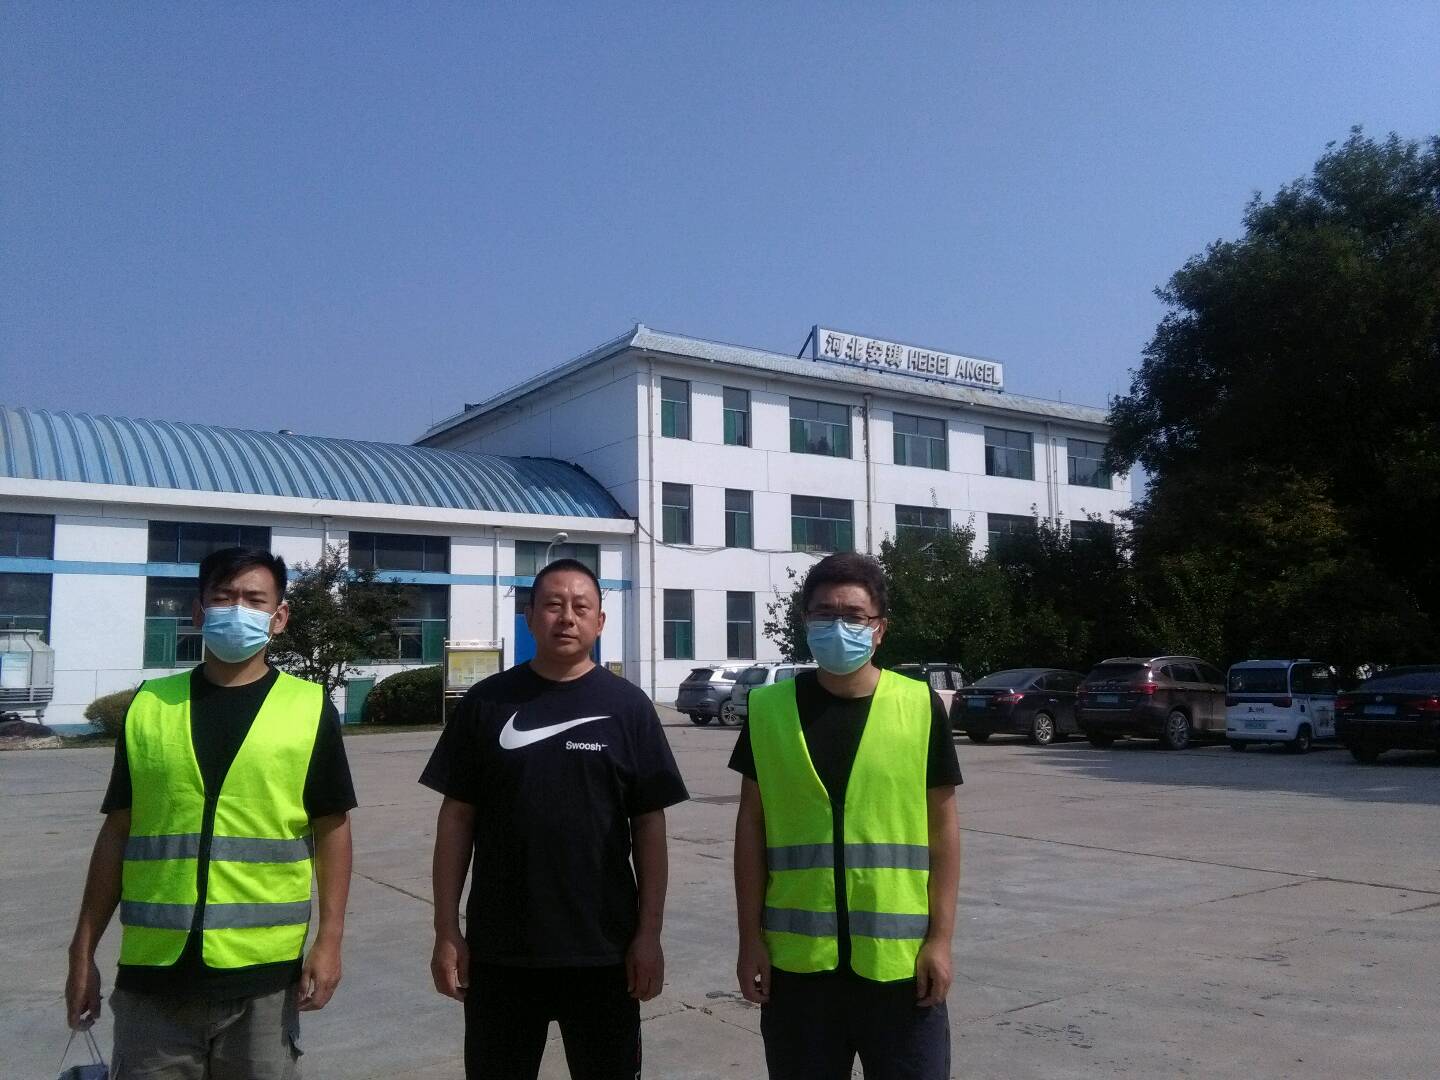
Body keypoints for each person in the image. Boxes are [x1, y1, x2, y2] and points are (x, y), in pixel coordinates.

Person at [64, 546, 356, 1079]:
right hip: (154, 979)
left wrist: (330, 940)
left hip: (263, 980)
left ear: (279, 617)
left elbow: (332, 829)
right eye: (223, 597)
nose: (237, 610)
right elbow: (118, 832)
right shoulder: (149, 707)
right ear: (198, 612)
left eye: (254, 599)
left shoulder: (309, 709)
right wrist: (82, 953)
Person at [421, 558, 688, 1080]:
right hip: (502, 952)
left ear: (600, 622)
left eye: (581, 607)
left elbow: (649, 827)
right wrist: (446, 930)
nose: (566, 617)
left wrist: (649, 934)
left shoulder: (629, 708)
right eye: (552, 605)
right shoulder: (487, 702)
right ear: (529, 616)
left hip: (604, 952)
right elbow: (456, 821)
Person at [731, 552, 962, 1080]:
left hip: (900, 969)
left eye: (854, 616)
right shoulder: (768, 710)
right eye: (824, 614)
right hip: (798, 971)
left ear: (879, 628)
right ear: (805, 622)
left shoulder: (919, 706)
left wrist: (940, 941)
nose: (838, 626)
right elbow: (750, 830)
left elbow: (944, 831)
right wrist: (750, 940)